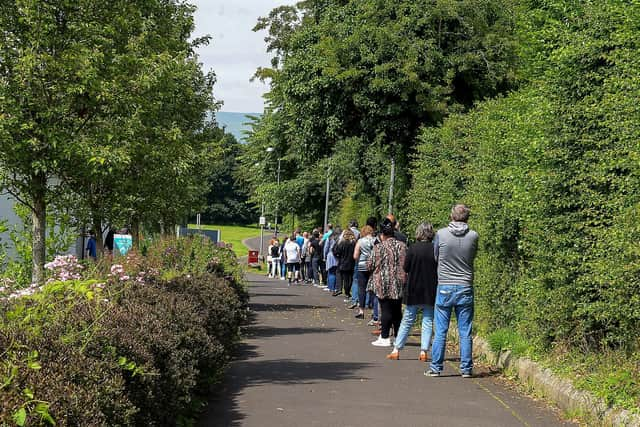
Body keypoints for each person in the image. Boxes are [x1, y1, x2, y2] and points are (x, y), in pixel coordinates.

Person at [427, 204, 479, 378]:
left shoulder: (441, 234)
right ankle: (466, 369)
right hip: (465, 285)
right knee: (465, 330)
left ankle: (436, 368)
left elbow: (435, 256)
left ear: (452, 216)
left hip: (444, 286)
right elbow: (473, 256)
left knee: (441, 330)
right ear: (467, 218)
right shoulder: (473, 236)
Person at [387, 223, 438, 361]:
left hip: (413, 288)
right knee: (428, 320)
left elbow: (406, 267)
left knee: (407, 319)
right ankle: (424, 352)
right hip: (430, 288)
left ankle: (397, 349)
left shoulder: (413, 248)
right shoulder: (435, 249)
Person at [368, 218, 407, 347]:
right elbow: (406, 264)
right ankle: (398, 337)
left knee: (385, 309)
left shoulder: (378, 247)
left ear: (382, 235)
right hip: (399, 281)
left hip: (382, 281)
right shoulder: (402, 246)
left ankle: (384, 337)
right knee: (397, 310)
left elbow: (370, 264)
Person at [353, 225, 375, 319]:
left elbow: (355, 256)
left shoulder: (360, 241)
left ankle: (361, 310)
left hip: (362, 266)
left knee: (362, 288)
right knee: (373, 289)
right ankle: (374, 311)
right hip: (373, 266)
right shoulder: (376, 240)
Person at [333, 228, 356, 300]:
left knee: (345, 278)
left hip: (343, 262)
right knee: (350, 278)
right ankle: (348, 291)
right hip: (352, 262)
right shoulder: (354, 243)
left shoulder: (342, 243)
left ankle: (345, 291)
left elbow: (337, 252)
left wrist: (338, 256)